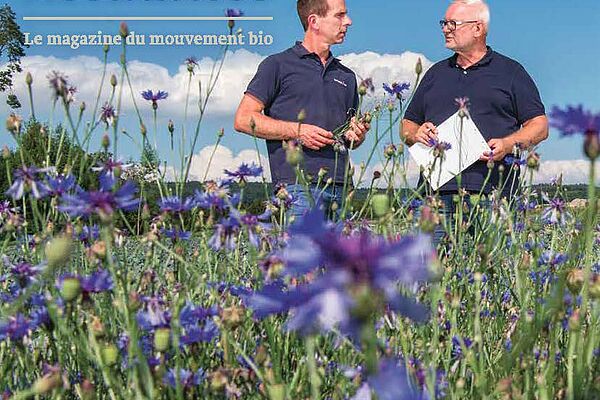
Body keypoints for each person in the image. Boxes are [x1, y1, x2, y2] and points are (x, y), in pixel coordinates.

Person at [401, 0, 548, 243]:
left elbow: (540, 126)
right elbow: (407, 125)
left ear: (478, 28)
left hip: (493, 196)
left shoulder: (511, 72)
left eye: (452, 24)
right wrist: (416, 133)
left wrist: (508, 144)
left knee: (491, 277)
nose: (445, 29)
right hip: (434, 198)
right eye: (444, 23)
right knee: (426, 276)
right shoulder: (434, 74)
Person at [234, 0, 369, 219]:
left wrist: (357, 135)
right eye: (340, 15)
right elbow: (243, 118)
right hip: (297, 186)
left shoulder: (347, 76)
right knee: (301, 254)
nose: (348, 22)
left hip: (343, 187)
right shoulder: (277, 65)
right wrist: (298, 131)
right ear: (314, 21)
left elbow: (349, 139)